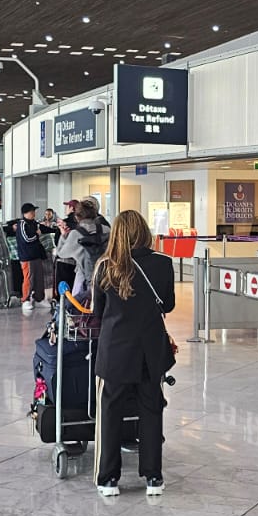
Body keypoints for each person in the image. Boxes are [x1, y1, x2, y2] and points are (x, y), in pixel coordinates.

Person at [91, 210, 176, 498]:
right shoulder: (163, 263)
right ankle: (153, 477)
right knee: (151, 410)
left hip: (115, 351)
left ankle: (108, 479)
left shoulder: (106, 266)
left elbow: (97, 312)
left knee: (110, 412)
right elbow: (168, 305)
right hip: (151, 351)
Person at [10, 203, 56, 314]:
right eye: (32, 212)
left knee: (39, 278)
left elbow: (43, 229)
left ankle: (39, 298)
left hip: (37, 255)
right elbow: (27, 239)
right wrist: (37, 234)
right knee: (29, 279)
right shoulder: (22, 224)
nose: (34, 213)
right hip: (27, 257)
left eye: (34, 211)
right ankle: (25, 300)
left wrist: (55, 230)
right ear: (26, 213)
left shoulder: (34, 223)